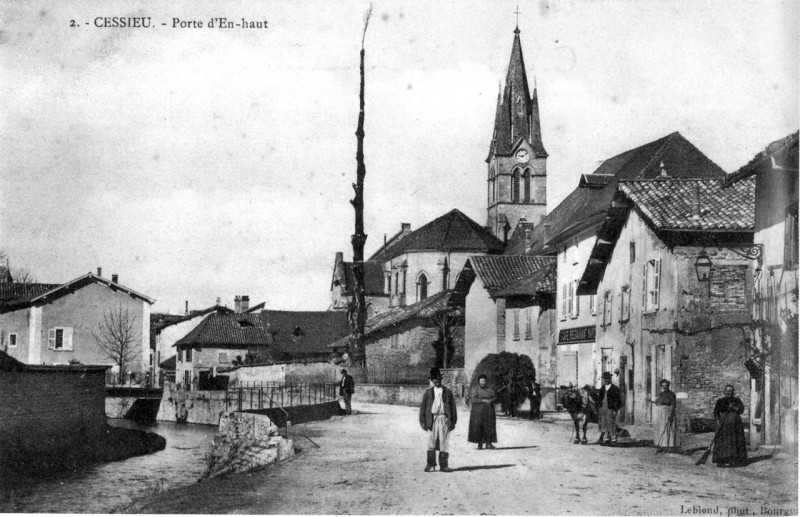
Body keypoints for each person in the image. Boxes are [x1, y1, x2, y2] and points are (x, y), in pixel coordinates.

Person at [419, 367, 457, 472]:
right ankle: (431, 464)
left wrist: (452, 421)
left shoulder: (447, 392)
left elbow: (453, 407)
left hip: (443, 418)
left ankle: (444, 465)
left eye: (438, 378)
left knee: (444, 442)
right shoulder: (428, 393)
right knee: (431, 441)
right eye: (434, 379)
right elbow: (423, 407)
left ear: (441, 378)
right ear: (431, 380)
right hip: (432, 419)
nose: (436, 381)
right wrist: (423, 421)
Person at [713, 384, 747, 467]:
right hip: (723, 424)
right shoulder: (720, 401)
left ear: (733, 392)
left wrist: (733, 407)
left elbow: (741, 410)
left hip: (735, 425)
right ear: (724, 392)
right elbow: (716, 412)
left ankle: (735, 460)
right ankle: (722, 460)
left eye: (731, 391)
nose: (730, 393)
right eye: (728, 391)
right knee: (723, 442)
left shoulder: (737, 400)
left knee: (735, 441)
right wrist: (717, 421)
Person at [467, 374, 497, 449]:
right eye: (481, 381)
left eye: (484, 381)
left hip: (489, 411)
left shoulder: (489, 389)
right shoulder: (475, 389)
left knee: (489, 426)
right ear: (479, 381)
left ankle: (488, 443)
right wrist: (483, 400)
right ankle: (479, 443)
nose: (483, 382)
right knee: (479, 427)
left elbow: (494, 397)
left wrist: (491, 400)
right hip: (478, 412)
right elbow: (473, 399)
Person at [596, 371, 622, 444]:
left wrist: (615, 410)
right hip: (603, 409)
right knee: (604, 423)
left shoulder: (615, 388)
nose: (606, 380)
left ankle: (614, 439)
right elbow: (599, 399)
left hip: (611, 408)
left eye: (607, 379)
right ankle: (606, 439)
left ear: (610, 379)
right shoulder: (602, 388)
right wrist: (599, 408)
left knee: (611, 423)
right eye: (604, 379)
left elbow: (618, 401)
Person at [652, 379, 678, 450]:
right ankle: (661, 444)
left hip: (668, 411)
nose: (664, 387)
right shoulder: (661, 394)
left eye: (666, 385)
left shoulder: (672, 394)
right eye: (663, 385)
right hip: (661, 413)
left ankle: (669, 445)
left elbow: (673, 404)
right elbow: (658, 402)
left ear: (668, 386)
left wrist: (670, 413)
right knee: (661, 427)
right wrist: (655, 402)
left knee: (667, 428)